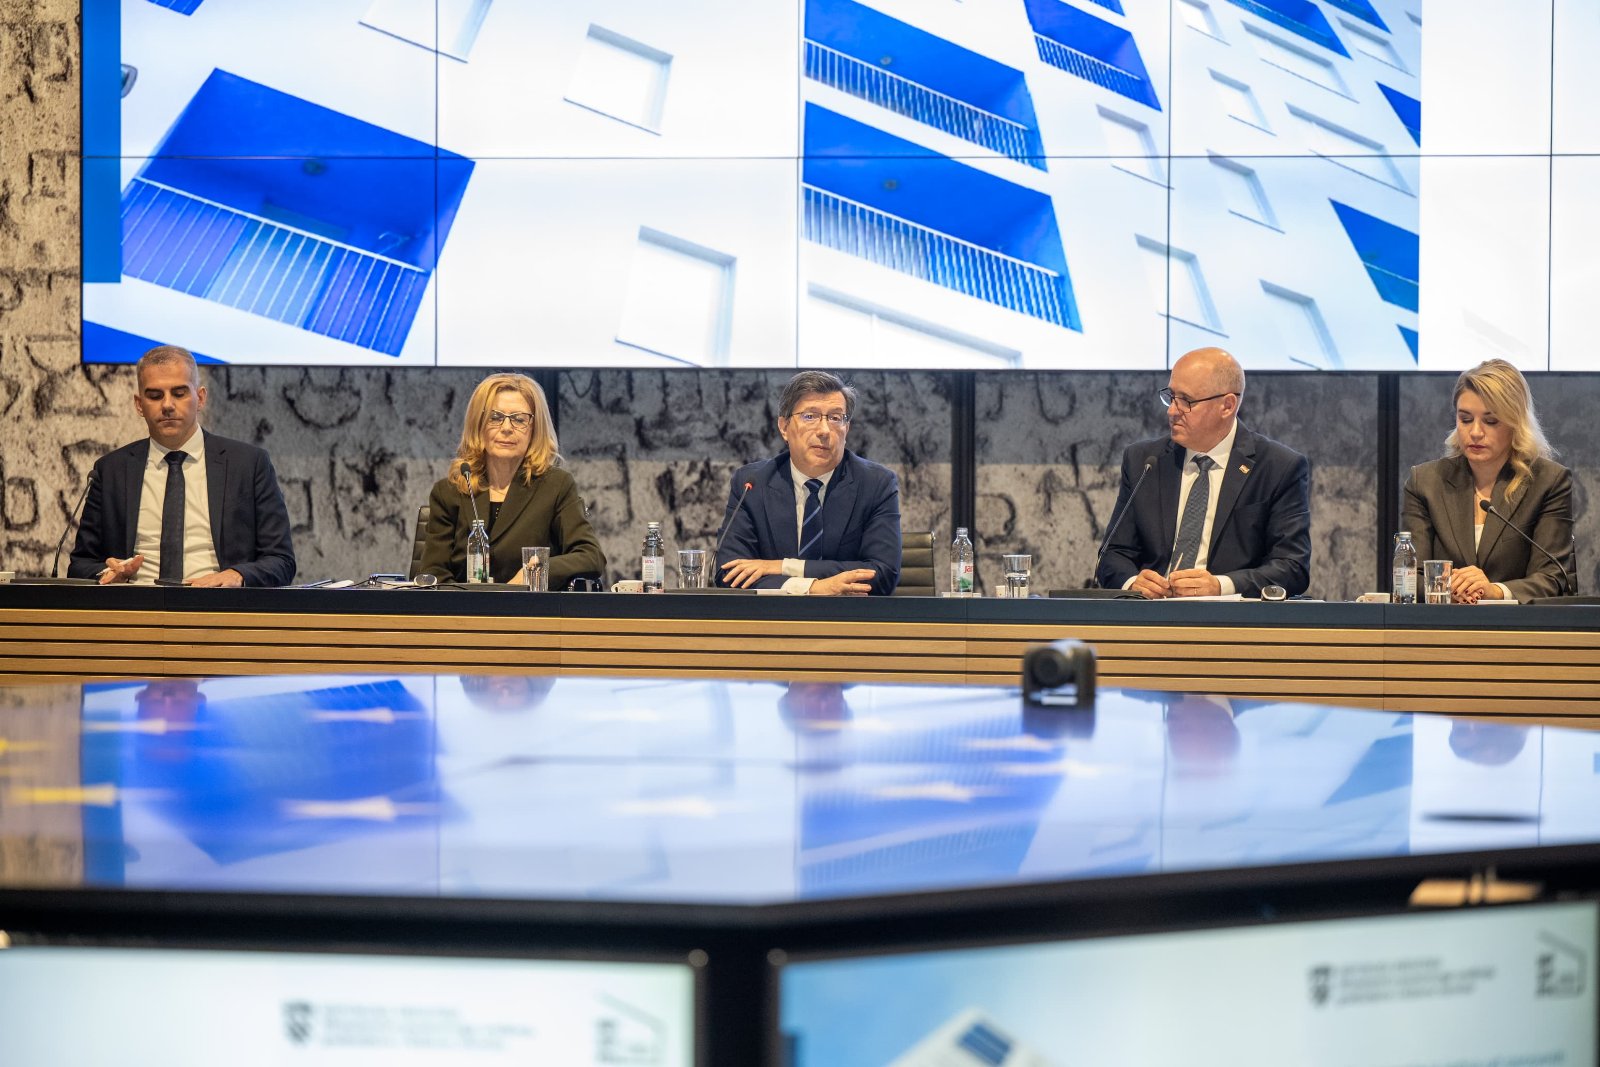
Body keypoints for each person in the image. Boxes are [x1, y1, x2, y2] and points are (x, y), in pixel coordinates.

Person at [68, 345, 296, 586]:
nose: (167, 405)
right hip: (137, 602)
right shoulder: (111, 471)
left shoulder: (248, 464)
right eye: (155, 396)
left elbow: (281, 560)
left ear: (200, 398)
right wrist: (109, 573)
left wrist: (236, 576)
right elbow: (81, 564)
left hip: (218, 602)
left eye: (179, 393)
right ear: (139, 404)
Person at [1095, 347, 1311, 599]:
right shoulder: (1145, 462)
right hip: (1151, 613)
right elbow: (1112, 555)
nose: (1172, 411)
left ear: (1227, 406)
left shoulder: (1278, 467)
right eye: (1171, 396)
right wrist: (1133, 583)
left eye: (1186, 401)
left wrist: (1220, 586)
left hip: (1229, 617)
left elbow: (1292, 567)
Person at [1400, 358, 1573, 603]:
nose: (1475, 432)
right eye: (1465, 419)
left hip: (1517, 625)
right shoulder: (1425, 483)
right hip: (1444, 623)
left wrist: (1494, 591)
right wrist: (1451, 587)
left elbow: (1552, 578)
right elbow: (1408, 577)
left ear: (1516, 423)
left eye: (1491, 421)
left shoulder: (1549, 482)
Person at [716, 370, 900, 595]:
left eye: (835, 418)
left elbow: (883, 574)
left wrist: (783, 566)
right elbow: (729, 574)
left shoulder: (876, 484)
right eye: (810, 416)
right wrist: (813, 587)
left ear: (847, 428)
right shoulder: (752, 484)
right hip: (773, 616)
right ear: (784, 427)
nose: (824, 431)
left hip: (848, 616)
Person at [417, 372, 604, 586]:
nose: (506, 428)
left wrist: (537, 571)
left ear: (535, 428)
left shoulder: (556, 486)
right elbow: (433, 574)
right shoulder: (450, 491)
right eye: (495, 417)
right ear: (478, 424)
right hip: (463, 606)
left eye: (519, 419)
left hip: (530, 606)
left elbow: (591, 556)